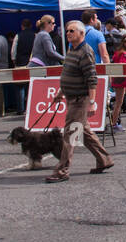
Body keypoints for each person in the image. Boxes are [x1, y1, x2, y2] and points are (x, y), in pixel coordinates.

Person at [45, 21, 113, 183]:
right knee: (84, 132)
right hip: (71, 97)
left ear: (82, 34)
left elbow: (91, 79)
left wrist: (91, 101)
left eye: (72, 31)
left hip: (80, 100)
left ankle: (62, 170)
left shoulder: (85, 52)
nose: (68, 33)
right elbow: (68, 73)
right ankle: (104, 159)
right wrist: (61, 92)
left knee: (70, 133)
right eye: (67, 31)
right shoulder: (71, 50)